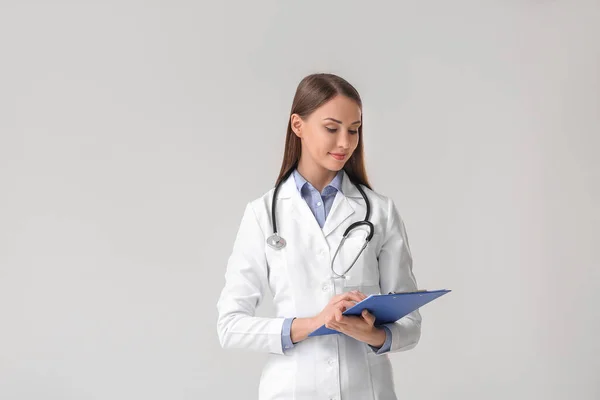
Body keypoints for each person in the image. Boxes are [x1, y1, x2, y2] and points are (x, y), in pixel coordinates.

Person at [216, 73, 421, 400]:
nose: (345, 142)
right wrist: (311, 324)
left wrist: (374, 335)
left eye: (354, 130)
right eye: (332, 128)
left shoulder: (380, 212)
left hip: (366, 391)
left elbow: (410, 325)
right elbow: (230, 327)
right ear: (298, 125)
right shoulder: (262, 214)